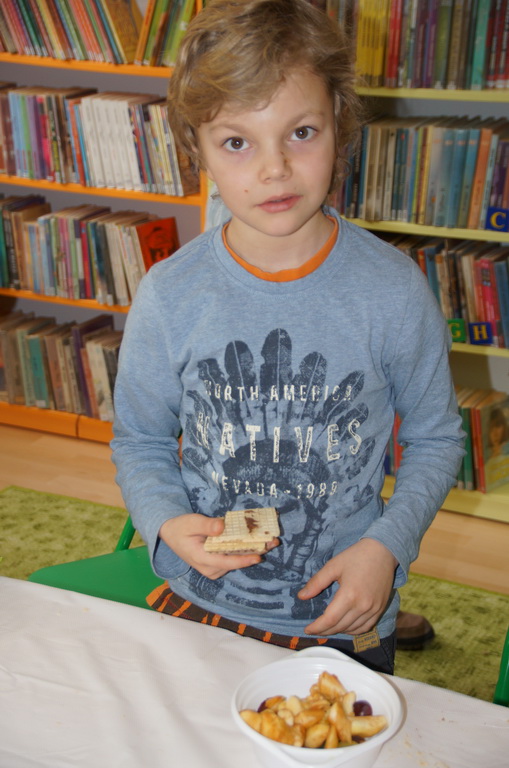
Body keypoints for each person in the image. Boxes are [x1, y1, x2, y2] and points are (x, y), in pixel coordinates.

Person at [111, 0, 465, 674]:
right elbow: (140, 439)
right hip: (199, 601)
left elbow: (436, 439)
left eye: (300, 132)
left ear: (340, 123)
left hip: (344, 618)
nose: (273, 169)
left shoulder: (392, 292)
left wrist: (386, 548)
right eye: (236, 142)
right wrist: (165, 521)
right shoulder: (170, 293)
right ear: (196, 148)